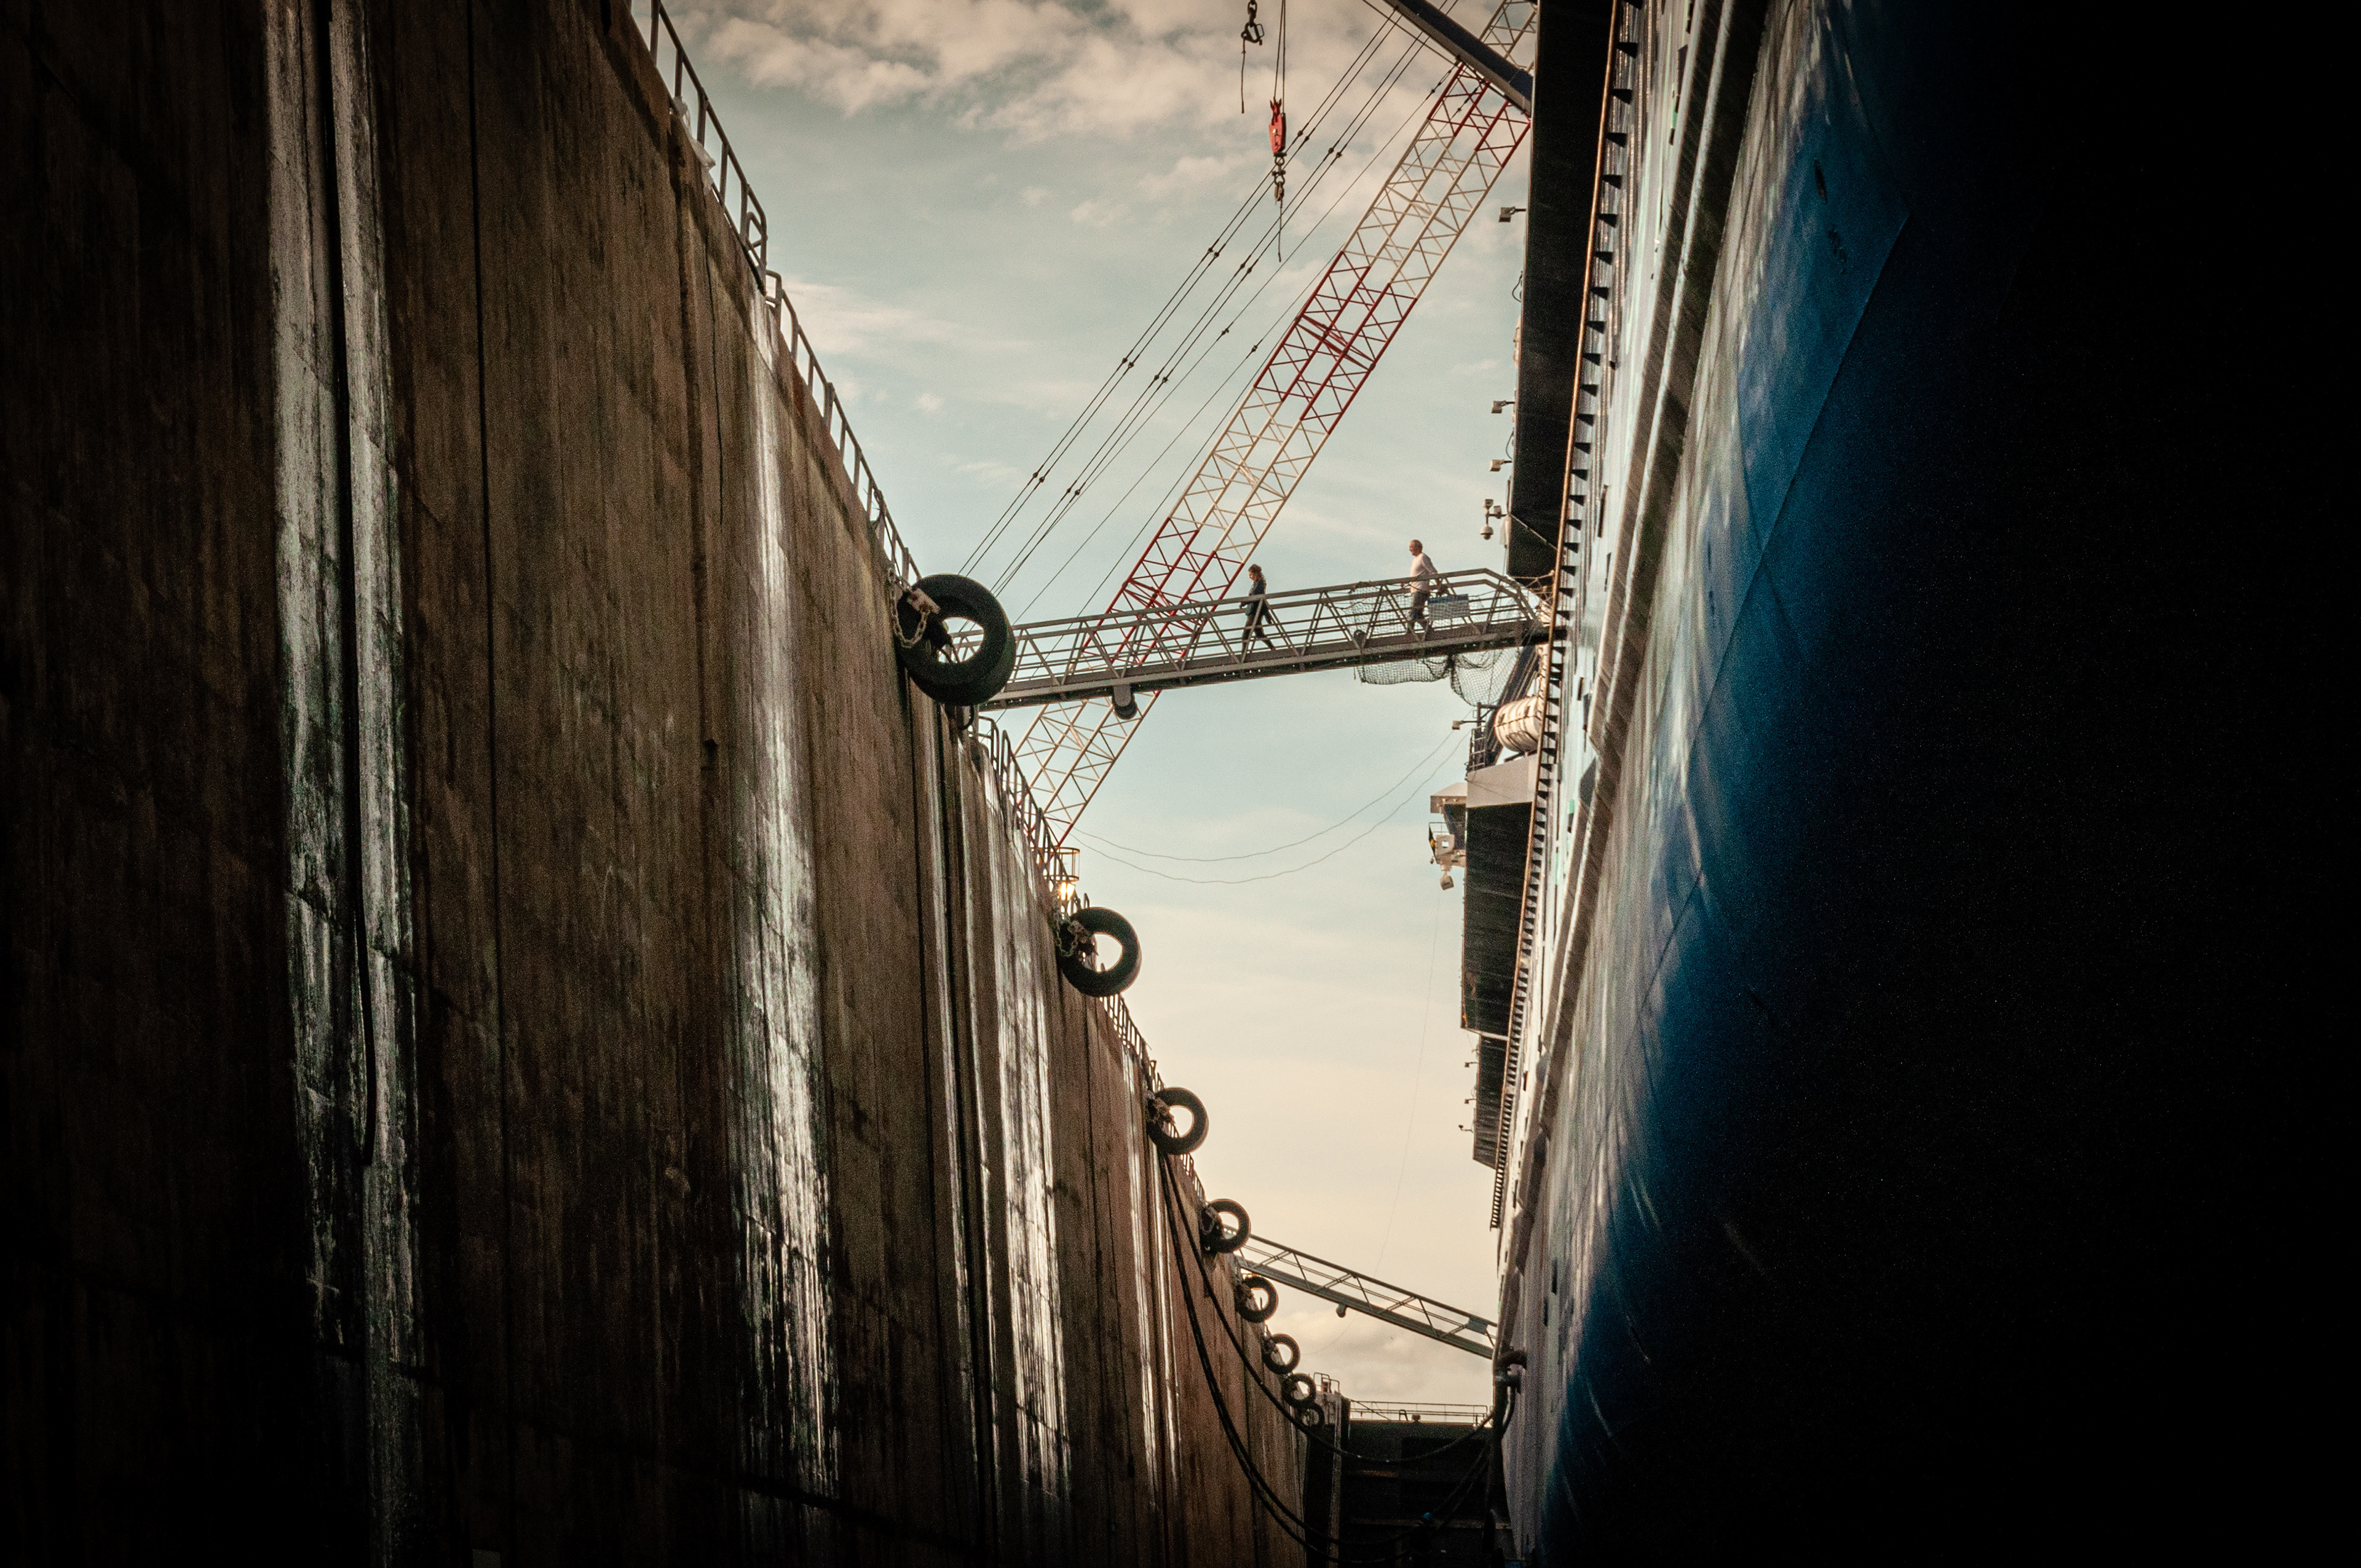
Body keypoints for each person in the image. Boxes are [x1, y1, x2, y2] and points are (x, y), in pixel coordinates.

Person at [1406, 538, 1439, 631]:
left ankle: (1408, 634)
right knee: (1418, 614)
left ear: (1417, 547)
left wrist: (1438, 585)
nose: (1410, 549)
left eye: (1411, 547)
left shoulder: (1423, 557)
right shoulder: (1415, 560)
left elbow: (1433, 572)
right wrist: (1407, 582)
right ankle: (1429, 630)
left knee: (1413, 613)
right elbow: (1417, 575)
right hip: (1415, 590)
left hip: (1420, 590)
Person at [1241, 563, 1276, 648]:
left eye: (1250, 575)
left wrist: (1245, 602)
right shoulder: (1258, 584)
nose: (1250, 577)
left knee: (1246, 636)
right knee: (1259, 634)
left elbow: (1256, 597)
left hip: (1254, 612)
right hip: (1255, 612)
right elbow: (1261, 599)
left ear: (1255, 574)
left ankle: (1243, 656)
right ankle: (1272, 648)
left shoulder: (1259, 584)